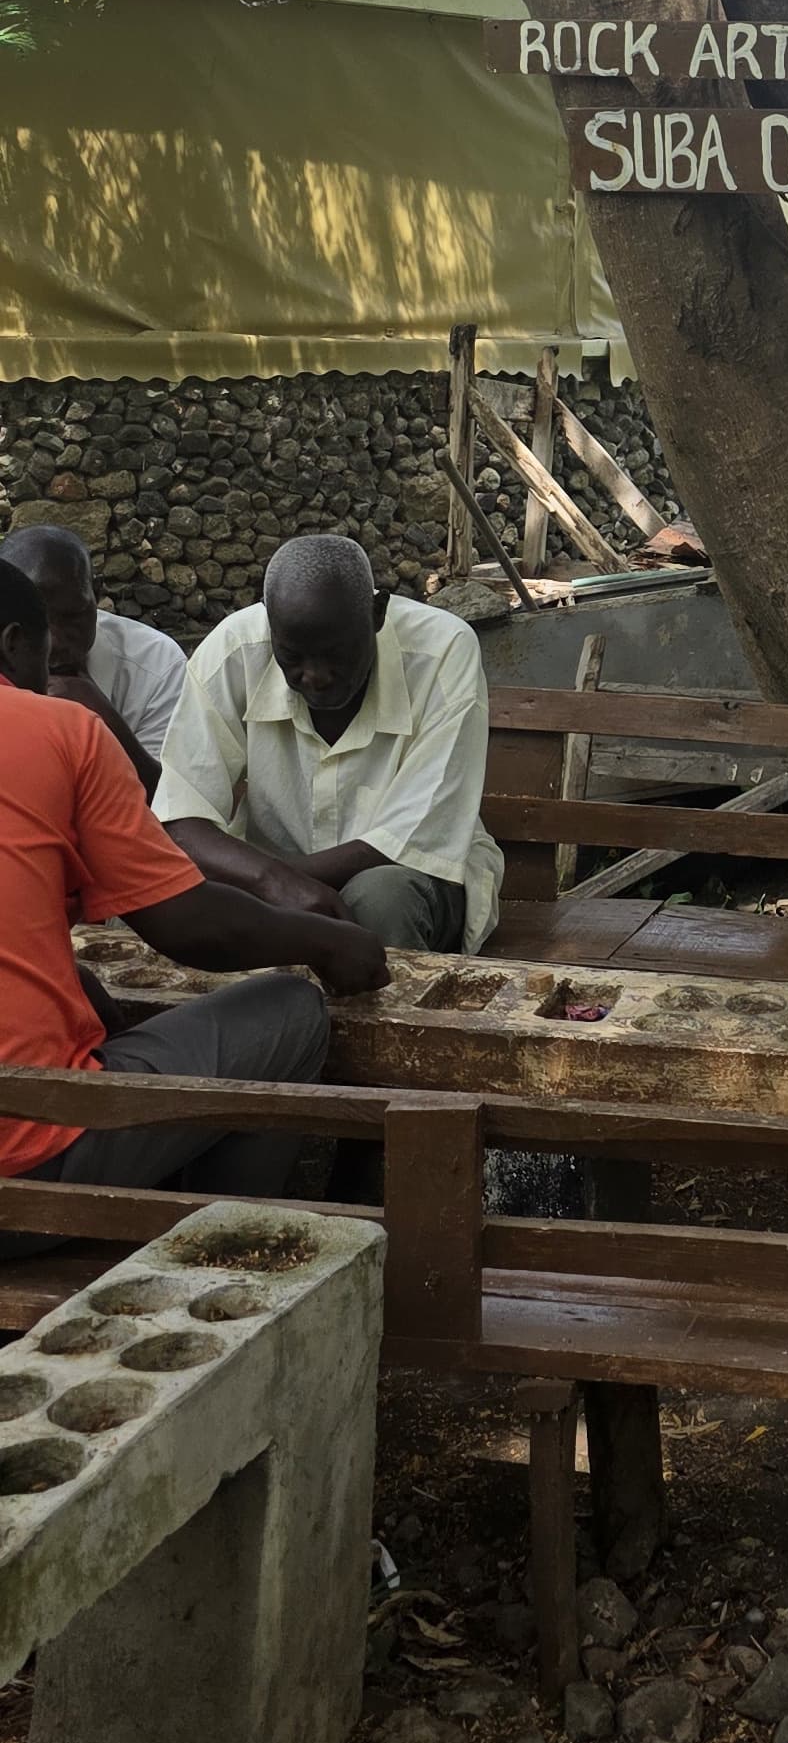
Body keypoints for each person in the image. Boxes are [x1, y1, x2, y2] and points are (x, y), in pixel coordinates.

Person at [0, 561, 391, 1261]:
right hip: (27, 1176)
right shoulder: (59, 731)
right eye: (42, 648)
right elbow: (187, 925)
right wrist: (324, 943)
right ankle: (213, 1261)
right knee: (291, 1014)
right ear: (11, 643)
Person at [156, 534, 504, 952]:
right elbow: (181, 819)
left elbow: (411, 839)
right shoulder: (235, 649)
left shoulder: (444, 651)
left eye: (336, 654)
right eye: (292, 656)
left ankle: (383, 1019)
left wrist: (277, 883)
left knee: (378, 899)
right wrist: (271, 882)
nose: (315, 676)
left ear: (377, 613)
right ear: (269, 622)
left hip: (408, 876)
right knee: (156, 895)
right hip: (271, 877)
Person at [0, 524, 187, 795]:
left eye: (72, 616)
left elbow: (174, 804)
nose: (56, 641)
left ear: (95, 593)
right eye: (33, 622)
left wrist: (105, 723)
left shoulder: (156, 664)